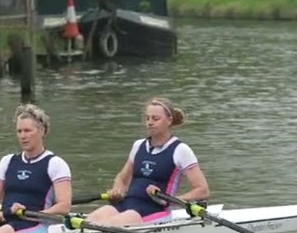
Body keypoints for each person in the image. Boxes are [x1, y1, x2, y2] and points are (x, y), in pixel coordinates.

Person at [86, 97, 210, 226]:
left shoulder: (181, 150)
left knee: (110, 224)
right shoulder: (138, 145)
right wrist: (117, 191)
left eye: (155, 119)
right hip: (127, 203)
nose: (150, 122)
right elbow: (122, 179)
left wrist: (172, 200)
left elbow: (202, 190)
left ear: (169, 120)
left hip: (155, 209)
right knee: (90, 220)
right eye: (147, 118)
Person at [0, 103, 72, 233]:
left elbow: (64, 206)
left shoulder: (55, 164)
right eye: (19, 131)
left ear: (42, 131)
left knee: (3, 232)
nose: (23, 136)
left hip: (35, 224)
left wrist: (33, 214)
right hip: (6, 220)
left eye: (28, 130)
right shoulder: (7, 161)